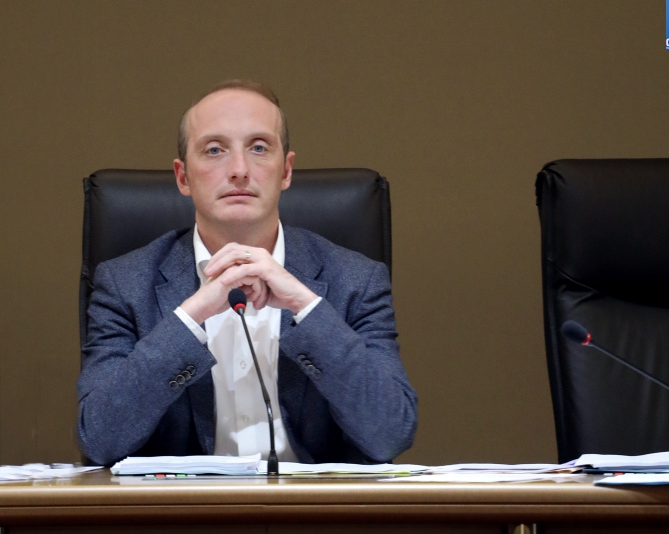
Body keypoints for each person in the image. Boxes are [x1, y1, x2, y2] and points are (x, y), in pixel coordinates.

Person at [77, 80, 417, 466]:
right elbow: (100, 438)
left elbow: (391, 433)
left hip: (314, 501)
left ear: (286, 171)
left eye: (258, 148)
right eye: (214, 150)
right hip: (183, 504)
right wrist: (190, 317)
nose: (239, 170)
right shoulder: (124, 285)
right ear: (183, 177)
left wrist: (306, 307)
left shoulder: (356, 281)